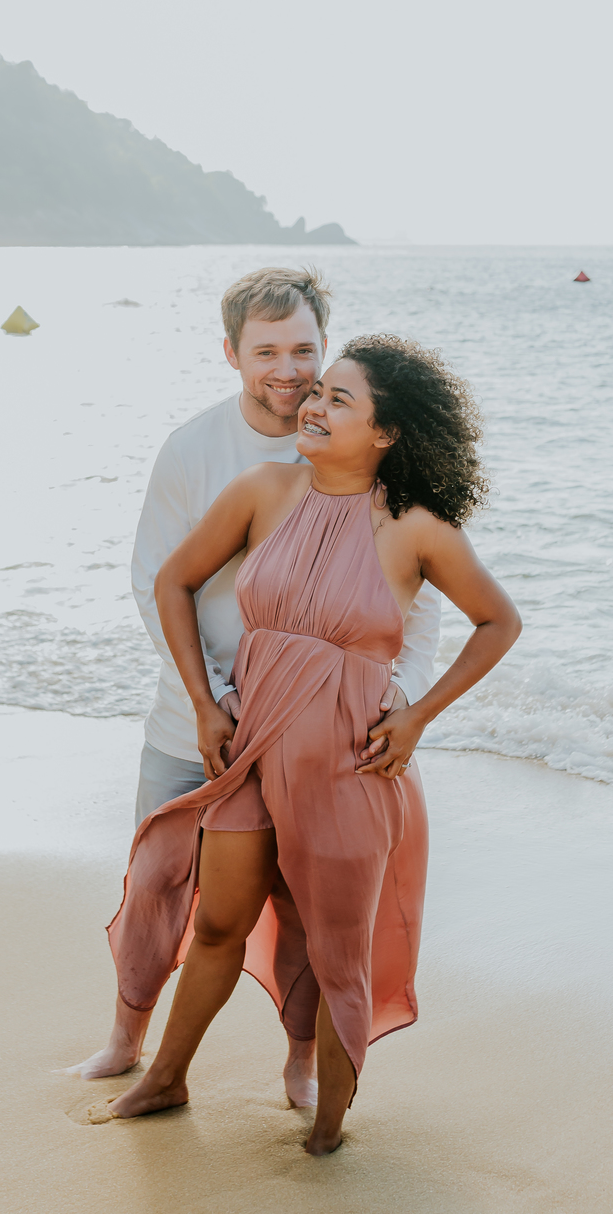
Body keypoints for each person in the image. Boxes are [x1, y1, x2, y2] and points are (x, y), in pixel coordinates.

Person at [105, 335, 521, 1155]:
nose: (313, 405)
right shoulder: (264, 490)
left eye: (339, 399)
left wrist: (418, 716)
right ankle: (164, 1077)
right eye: (317, 391)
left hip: (348, 762)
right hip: (252, 745)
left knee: (338, 950)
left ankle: (328, 1130)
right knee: (219, 921)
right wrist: (204, 703)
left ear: (386, 433)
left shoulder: (417, 527)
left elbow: (499, 621)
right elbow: (172, 581)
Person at [69, 270, 441, 1104]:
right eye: (266, 350)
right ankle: (127, 1042)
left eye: (305, 349)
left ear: (326, 348)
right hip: (196, 722)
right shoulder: (195, 451)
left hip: (320, 739)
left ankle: (300, 1065)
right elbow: (153, 582)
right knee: (157, 884)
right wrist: (209, 700)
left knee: (306, 908)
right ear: (231, 353)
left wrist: (403, 702)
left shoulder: (367, 451)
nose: (289, 369)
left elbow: (415, 615)